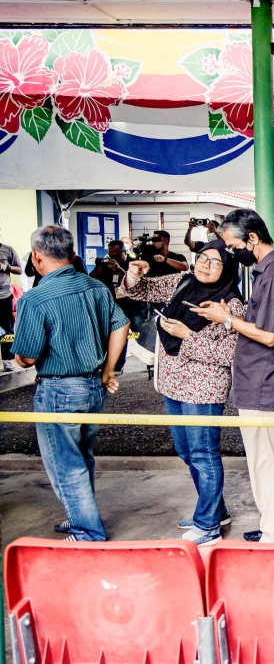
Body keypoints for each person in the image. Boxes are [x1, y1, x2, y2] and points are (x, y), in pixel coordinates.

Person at [121, 240, 245, 546]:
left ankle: (207, 526)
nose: (205, 265)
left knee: (204, 454)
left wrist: (187, 336)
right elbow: (141, 291)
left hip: (203, 389)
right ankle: (215, 510)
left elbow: (230, 354)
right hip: (172, 383)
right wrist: (134, 274)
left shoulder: (231, 305)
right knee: (186, 451)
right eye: (203, 258)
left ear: (227, 269)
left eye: (215, 262)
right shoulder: (182, 281)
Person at [11, 226, 130, 541]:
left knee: (66, 464)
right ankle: (81, 516)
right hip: (93, 387)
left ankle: (89, 531)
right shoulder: (96, 288)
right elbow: (122, 324)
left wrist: (23, 360)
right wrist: (109, 370)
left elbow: (26, 356)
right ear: (73, 254)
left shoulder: (35, 299)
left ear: (36, 257)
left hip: (59, 390)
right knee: (82, 455)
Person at [198, 209, 274, 544]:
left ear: (253, 240)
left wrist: (226, 320)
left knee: (266, 464)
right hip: (272, 379)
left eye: (232, 246)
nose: (230, 253)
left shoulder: (273, 274)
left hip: (264, 380)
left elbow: (269, 335)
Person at [90, 240, 140, 371]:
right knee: (118, 335)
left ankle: (154, 361)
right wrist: (100, 266)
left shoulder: (132, 262)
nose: (114, 258)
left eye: (117, 255)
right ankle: (116, 365)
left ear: (125, 252)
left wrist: (119, 270)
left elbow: (137, 282)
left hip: (133, 305)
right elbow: (92, 278)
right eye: (111, 255)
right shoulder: (107, 264)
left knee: (140, 334)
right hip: (114, 305)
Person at [0, 227, 23, 372]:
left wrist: (6, 267)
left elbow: (20, 269)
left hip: (4, 297)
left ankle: (8, 360)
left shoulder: (8, 250)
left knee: (7, 330)